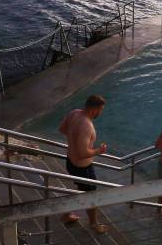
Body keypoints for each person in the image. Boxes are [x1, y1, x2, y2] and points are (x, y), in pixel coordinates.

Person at [58, 95, 108, 233]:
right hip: (83, 168)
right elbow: (82, 153)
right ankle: (94, 224)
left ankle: (66, 214)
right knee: (91, 196)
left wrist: (74, 139)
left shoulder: (74, 113)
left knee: (81, 191)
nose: (101, 113)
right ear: (94, 109)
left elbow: (62, 129)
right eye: (101, 110)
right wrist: (99, 150)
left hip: (70, 162)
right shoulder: (87, 125)